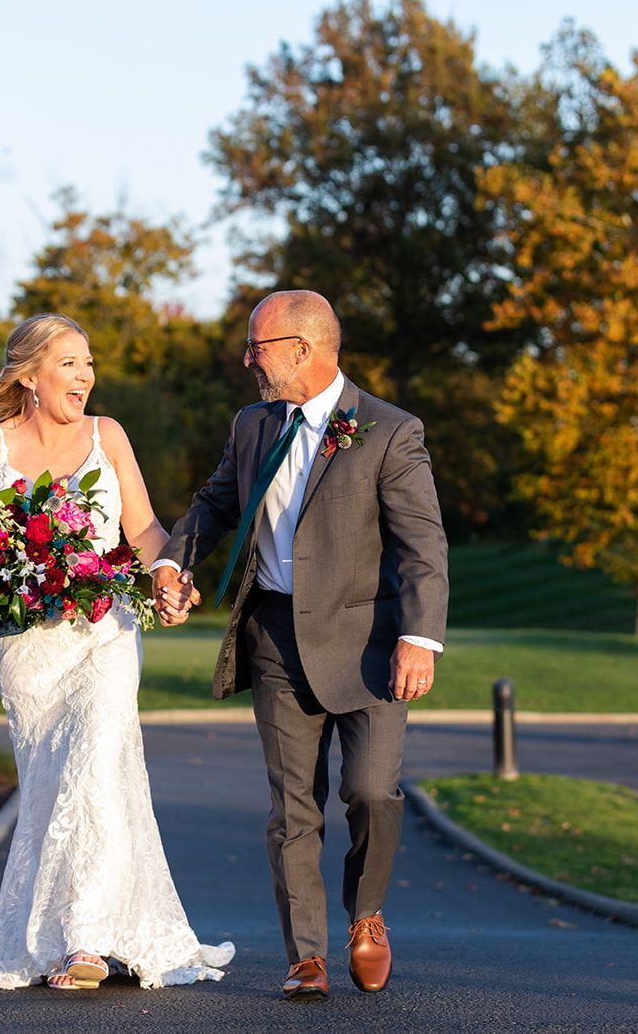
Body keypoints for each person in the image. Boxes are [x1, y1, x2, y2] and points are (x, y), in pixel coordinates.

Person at [152, 290, 449, 1001]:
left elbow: (422, 543)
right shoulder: (252, 425)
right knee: (294, 806)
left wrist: (420, 637)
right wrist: (174, 558)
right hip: (275, 637)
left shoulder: (387, 430)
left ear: (303, 349)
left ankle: (366, 915)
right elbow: (217, 502)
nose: (248, 359)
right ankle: (306, 955)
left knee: (371, 791)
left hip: (369, 644)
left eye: (258, 346)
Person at [0, 312, 232, 991]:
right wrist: (17, 565)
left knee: (97, 762)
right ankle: (59, 936)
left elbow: (142, 528)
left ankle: (87, 942)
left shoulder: (108, 435)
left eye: (89, 362)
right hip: (32, 649)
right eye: (70, 362)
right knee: (53, 784)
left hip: (106, 630)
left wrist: (169, 576)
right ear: (32, 375)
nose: (86, 375)